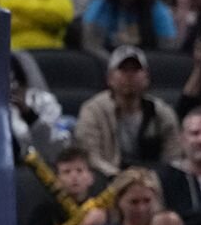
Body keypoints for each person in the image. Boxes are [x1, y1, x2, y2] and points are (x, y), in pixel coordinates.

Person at [73, 46, 183, 179]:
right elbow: (90, 157)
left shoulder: (162, 113)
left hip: (154, 183)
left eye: (135, 69)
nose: (130, 75)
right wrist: (125, 180)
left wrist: (150, 180)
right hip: (107, 182)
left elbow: (173, 158)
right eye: (123, 69)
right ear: (110, 78)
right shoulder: (92, 111)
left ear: (146, 77)